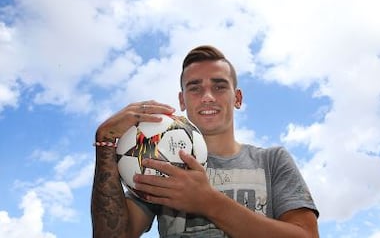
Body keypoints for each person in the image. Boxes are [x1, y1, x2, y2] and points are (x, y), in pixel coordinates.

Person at [91, 45, 319, 238]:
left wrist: (209, 202)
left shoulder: (271, 160)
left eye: (219, 86)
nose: (207, 96)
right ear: (182, 100)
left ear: (237, 98)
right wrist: (105, 148)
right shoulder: (161, 166)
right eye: (195, 88)